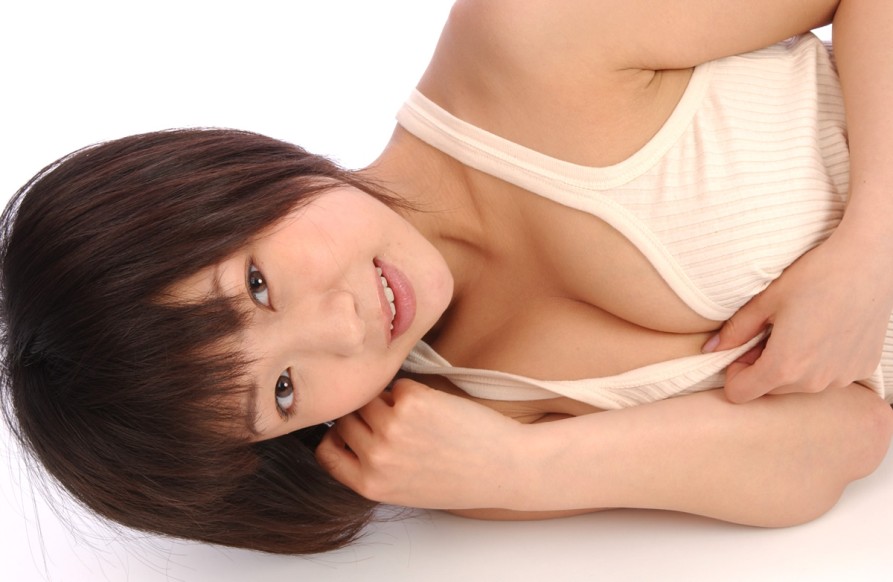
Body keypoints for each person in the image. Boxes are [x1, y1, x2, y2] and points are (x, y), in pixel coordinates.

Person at [2, 0, 892, 555]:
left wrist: (869, 251)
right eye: (282, 389)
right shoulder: (464, 437)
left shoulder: (523, 38)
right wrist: (524, 469)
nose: (341, 328)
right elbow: (845, 437)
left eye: (259, 288)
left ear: (223, 186)